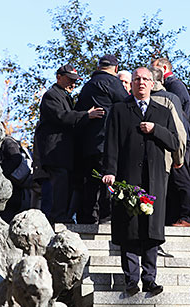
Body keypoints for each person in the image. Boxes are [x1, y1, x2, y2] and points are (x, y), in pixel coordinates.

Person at [102, 67, 179, 296]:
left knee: (151, 230)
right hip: (128, 179)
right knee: (129, 228)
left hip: (154, 180)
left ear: (153, 83)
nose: (141, 83)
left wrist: (156, 129)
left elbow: (174, 142)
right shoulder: (118, 110)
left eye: (145, 79)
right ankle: (131, 279)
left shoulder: (162, 111)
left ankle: (150, 279)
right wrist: (110, 171)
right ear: (131, 84)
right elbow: (111, 143)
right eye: (137, 79)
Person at [34, 64, 104, 224]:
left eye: (75, 80)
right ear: (58, 77)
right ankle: (56, 217)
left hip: (64, 153)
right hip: (54, 152)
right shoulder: (51, 95)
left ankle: (63, 216)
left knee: (65, 183)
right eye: (69, 79)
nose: (73, 84)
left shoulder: (64, 96)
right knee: (58, 184)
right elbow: (62, 116)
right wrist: (86, 115)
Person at [75, 55, 128, 224]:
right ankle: (107, 217)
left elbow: (78, 111)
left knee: (90, 182)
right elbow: (126, 104)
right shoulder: (113, 83)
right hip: (106, 141)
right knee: (108, 179)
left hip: (87, 144)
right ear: (115, 69)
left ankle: (87, 218)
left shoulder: (87, 86)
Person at [150, 67, 190, 227]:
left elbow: (178, 126)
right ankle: (179, 216)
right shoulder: (171, 95)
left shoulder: (169, 95)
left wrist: (178, 154)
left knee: (179, 178)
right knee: (177, 181)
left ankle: (185, 217)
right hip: (175, 142)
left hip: (173, 143)